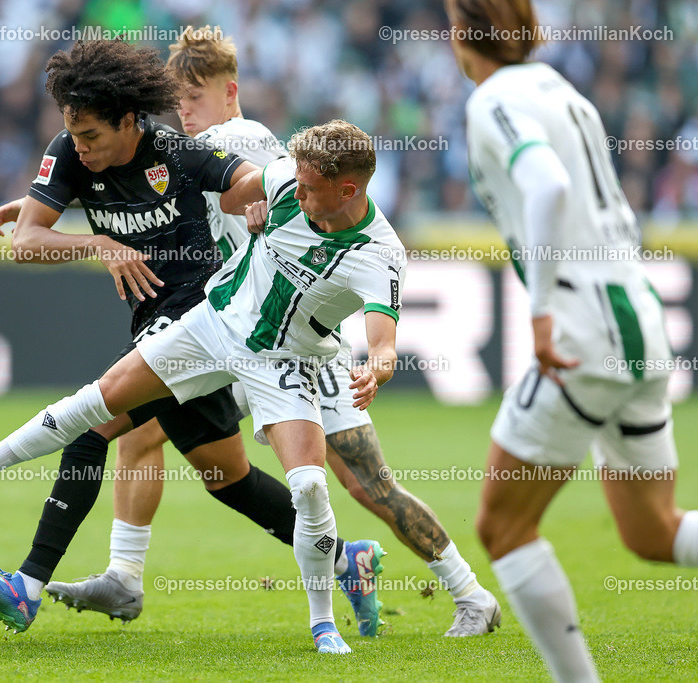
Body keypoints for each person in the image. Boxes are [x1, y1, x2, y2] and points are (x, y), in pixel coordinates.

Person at [0, 40, 377, 651]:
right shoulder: (71, 153)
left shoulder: (175, 152)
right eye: (72, 133)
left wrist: (280, 193)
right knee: (225, 475)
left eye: (93, 134)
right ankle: (346, 560)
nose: (80, 146)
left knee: (91, 427)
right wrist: (94, 243)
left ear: (129, 122)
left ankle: (25, 582)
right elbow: (27, 242)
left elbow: (243, 184)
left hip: (201, 321)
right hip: (158, 326)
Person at [46, 25, 500, 638]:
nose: (183, 111)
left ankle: (463, 590)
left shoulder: (244, 142)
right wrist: (45, 208)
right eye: (176, 99)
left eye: (194, 98)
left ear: (227, 92)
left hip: (295, 349)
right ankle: (126, 574)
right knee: (133, 432)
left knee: (365, 484)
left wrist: (261, 201)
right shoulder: (190, 151)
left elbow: (283, 194)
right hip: (234, 333)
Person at [445, 0, 698, 679]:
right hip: (641, 321)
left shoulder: (493, 97)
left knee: (501, 525)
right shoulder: (565, 90)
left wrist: (541, 312)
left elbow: (547, 183)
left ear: (464, 32)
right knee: (654, 530)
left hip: (585, 330)